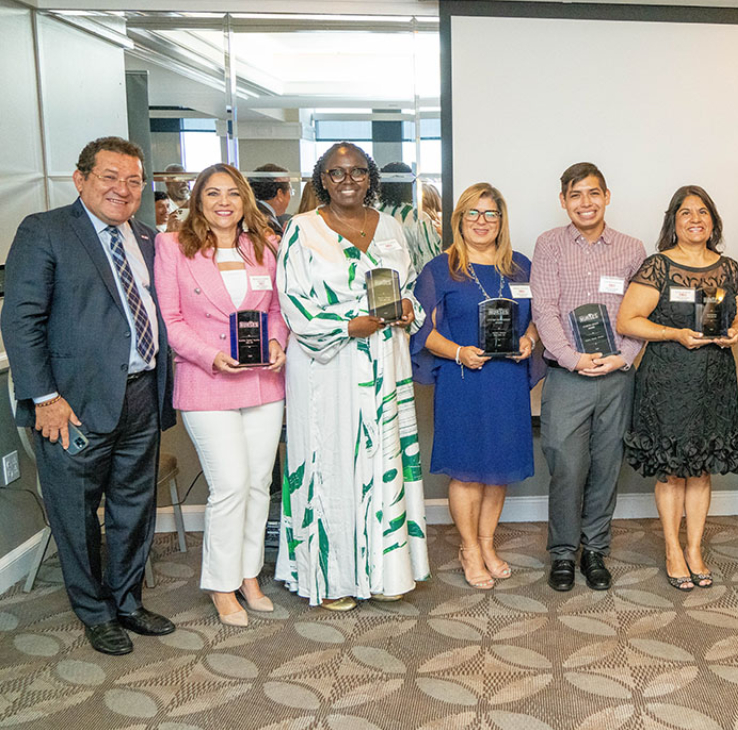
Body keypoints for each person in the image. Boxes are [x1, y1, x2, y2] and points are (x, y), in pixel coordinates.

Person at [2, 136, 176, 655]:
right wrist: (44, 397)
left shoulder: (146, 238)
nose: (122, 190)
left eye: (133, 180)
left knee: (133, 505)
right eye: (109, 177)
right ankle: (95, 612)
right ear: (80, 179)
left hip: (141, 394)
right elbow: (21, 319)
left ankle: (127, 601)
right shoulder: (46, 231)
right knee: (76, 512)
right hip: (71, 405)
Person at [274, 142, 430, 610]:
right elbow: (293, 304)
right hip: (329, 368)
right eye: (337, 172)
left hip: (385, 361)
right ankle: (334, 578)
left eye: (357, 172)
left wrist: (408, 309)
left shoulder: (391, 226)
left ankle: (387, 572)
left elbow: (410, 285)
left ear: (370, 178)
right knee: (333, 462)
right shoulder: (301, 230)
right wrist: (347, 326)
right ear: (322, 178)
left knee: (383, 462)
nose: (347, 180)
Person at [154, 164, 287, 626]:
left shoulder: (263, 246)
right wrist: (210, 356)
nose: (224, 201)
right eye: (213, 193)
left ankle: (249, 575)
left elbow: (276, 310)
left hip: (264, 383)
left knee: (257, 485)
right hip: (206, 383)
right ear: (198, 201)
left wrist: (277, 343)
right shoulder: (172, 247)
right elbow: (170, 320)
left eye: (233, 193)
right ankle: (221, 583)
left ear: (245, 199)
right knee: (229, 485)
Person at [617, 185, 738, 591]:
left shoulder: (728, 268)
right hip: (667, 381)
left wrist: (735, 333)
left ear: (713, 221)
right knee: (673, 471)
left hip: (714, 382)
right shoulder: (658, 266)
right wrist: (675, 333)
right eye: (686, 212)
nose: (696, 219)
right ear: (673, 222)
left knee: (702, 469)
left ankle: (695, 549)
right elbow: (628, 321)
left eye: (703, 212)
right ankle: (673, 549)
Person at [411, 183, 539, 590]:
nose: (482, 222)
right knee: (466, 473)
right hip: (463, 379)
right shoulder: (440, 268)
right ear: (459, 220)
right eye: (473, 214)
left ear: (501, 222)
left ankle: (487, 544)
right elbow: (422, 330)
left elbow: (540, 315)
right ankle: (468, 549)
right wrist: (459, 352)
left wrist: (529, 339)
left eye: (491, 215)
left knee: (497, 471)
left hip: (506, 382)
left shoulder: (520, 266)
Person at [531, 162, 646, 592]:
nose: (585, 202)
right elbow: (543, 308)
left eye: (593, 193)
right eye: (576, 195)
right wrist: (572, 358)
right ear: (563, 201)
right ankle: (563, 552)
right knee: (566, 464)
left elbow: (642, 313)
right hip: (568, 375)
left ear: (607, 196)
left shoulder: (633, 249)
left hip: (617, 376)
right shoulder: (549, 245)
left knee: (606, 464)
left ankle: (595, 549)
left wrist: (625, 356)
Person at [379, 161, 441, 273]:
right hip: (411, 282)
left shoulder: (374, 215)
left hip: (381, 280)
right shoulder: (417, 217)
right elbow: (428, 259)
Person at [249, 163, 293, 237]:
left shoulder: (256, 213)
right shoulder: (263, 221)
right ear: (280, 194)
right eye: (290, 191)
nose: (290, 196)